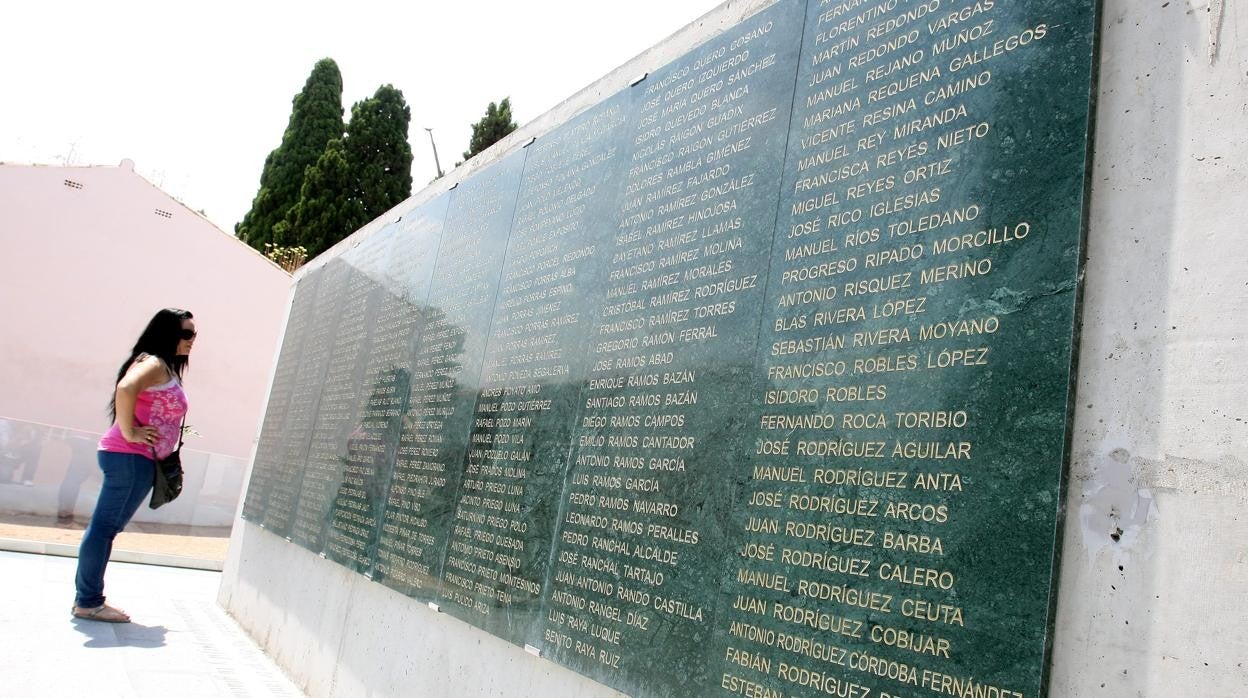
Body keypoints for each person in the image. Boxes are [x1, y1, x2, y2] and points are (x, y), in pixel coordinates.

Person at [72, 308, 195, 623]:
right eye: (186, 334)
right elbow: (126, 389)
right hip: (128, 456)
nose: (191, 340)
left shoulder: (164, 366)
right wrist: (130, 431)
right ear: (167, 334)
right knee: (103, 529)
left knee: (107, 529)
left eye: (193, 334)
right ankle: (88, 601)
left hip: (137, 459)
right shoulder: (153, 362)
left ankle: (88, 599)